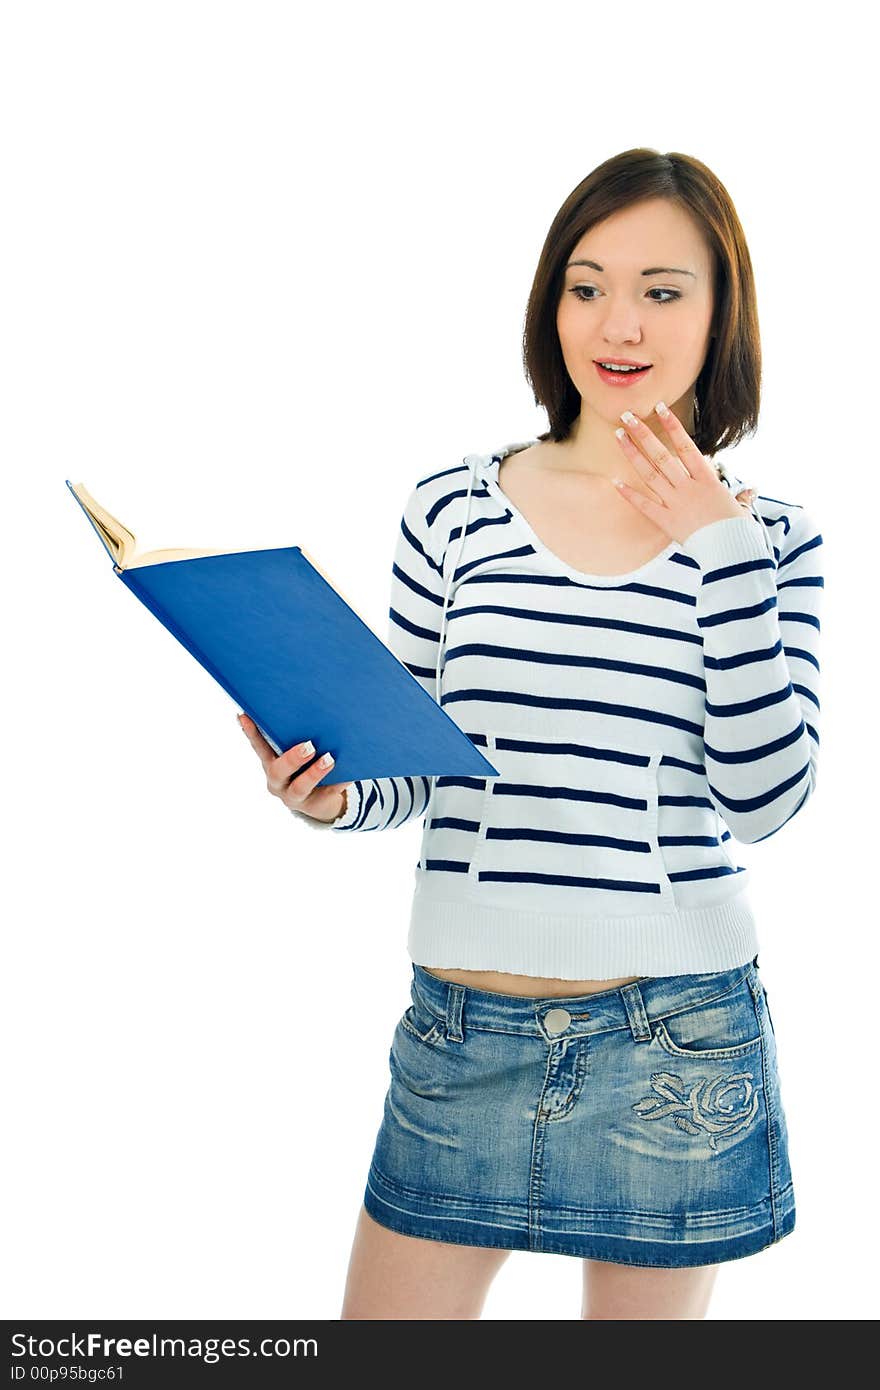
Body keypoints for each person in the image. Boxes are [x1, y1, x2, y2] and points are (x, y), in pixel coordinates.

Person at [238, 147, 824, 1320]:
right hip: (458, 1034)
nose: (617, 321)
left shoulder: (769, 537)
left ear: (722, 314)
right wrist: (335, 792)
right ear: (549, 301)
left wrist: (716, 554)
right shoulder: (451, 504)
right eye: (585, 282)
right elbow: (417, 754)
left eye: (663, 289)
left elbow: (765, 799)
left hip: (673, 1039)